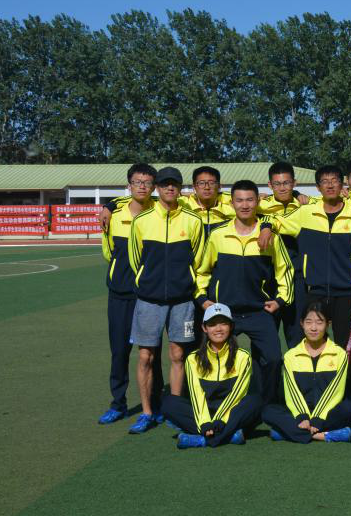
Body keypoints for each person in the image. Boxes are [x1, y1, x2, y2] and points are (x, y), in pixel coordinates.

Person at [258, 165, 351, 385]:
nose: (330, 185)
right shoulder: (306, 213)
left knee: (344, 348)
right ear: (318, 187)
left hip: (346, 291)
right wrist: (266, 227)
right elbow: (276, 221)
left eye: (334, 180)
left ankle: (345, 393)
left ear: (342, 184)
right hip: (314, 290)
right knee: (314, 344)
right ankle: (314, 389)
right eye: (325, 181)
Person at [195, 180, 293, 403]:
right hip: (224, 312)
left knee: (273, 359)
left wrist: (280, 300)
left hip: (259, 311)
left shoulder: (271, 236)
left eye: (250, 200)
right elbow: (202, 270)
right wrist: (202, 298)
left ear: (258, 201)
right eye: (239, 200)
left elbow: (284, 271)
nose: (245, 205)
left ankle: (267, 404)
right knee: (215, 359)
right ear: (232, 203)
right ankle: (217, 403)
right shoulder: (218, 235)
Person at [126, 166, 205, 434]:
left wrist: (186, 283)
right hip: (149, 299)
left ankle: (173, 410)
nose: (170, 188)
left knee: (178, 355)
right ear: (157, 188)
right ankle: (147, 412)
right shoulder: (142, 220)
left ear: (180, 188)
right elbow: (136, 259)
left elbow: (199, 259)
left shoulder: (193, 221)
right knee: (145, 356)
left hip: (182, 300)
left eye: (174, 184)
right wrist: (147, 281)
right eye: (164, 184)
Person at [98, 163, 163, 425]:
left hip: (149, 294)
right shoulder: (114, 214)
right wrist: (109, 205)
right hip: (120, 292)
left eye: (147, 183)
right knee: (119, 351)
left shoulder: (161, 211)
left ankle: (156, 404)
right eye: (137, 182)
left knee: (152, 353)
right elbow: (108, 251)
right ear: (129, 185)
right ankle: (118, 404)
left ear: (154, 187)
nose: (142, 187)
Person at [163, 303, 262, 448]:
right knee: (169, 403)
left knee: (255, 402)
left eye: (223, 323)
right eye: (213, 324)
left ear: (231, 326)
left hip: (230, 413)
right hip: (204, 413)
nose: (218, 329)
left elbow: (237, 394)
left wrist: (220, 420)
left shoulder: (243, 357)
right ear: (204, 328)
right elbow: (197, 395)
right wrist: (205, 423)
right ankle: (229, 436)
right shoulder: (193, 358)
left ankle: (203, 440)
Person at [262, 301, 351, 443]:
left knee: (348, 408)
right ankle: (324, 435)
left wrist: (318, 418)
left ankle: (288, 433)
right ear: (302, 324)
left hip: (327, 413)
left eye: (319, 322)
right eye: (308, 322)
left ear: (328, 324)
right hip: (300, 414)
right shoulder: (291, 355)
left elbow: (335, 391)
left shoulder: (339, 354)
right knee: (268, 411)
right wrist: (303, 416)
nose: (313, 328)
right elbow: (292, 392)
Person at [258, 161, 307, 346]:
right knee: (266, 336)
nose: (282, 188)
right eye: (277, 184)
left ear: (294, 183)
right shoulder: (259, 204)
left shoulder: (305, 204)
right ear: (270, 185)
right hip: (268, 278)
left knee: (297, 333)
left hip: (297, 276)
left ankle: (296, 365)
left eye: (286, 183)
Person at [181, 166, 235, 234]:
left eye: (211, 183)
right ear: (194, 187)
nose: (207, 187)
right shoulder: (183, 206)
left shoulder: (233, 206)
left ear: (219, 186)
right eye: (201, 183)